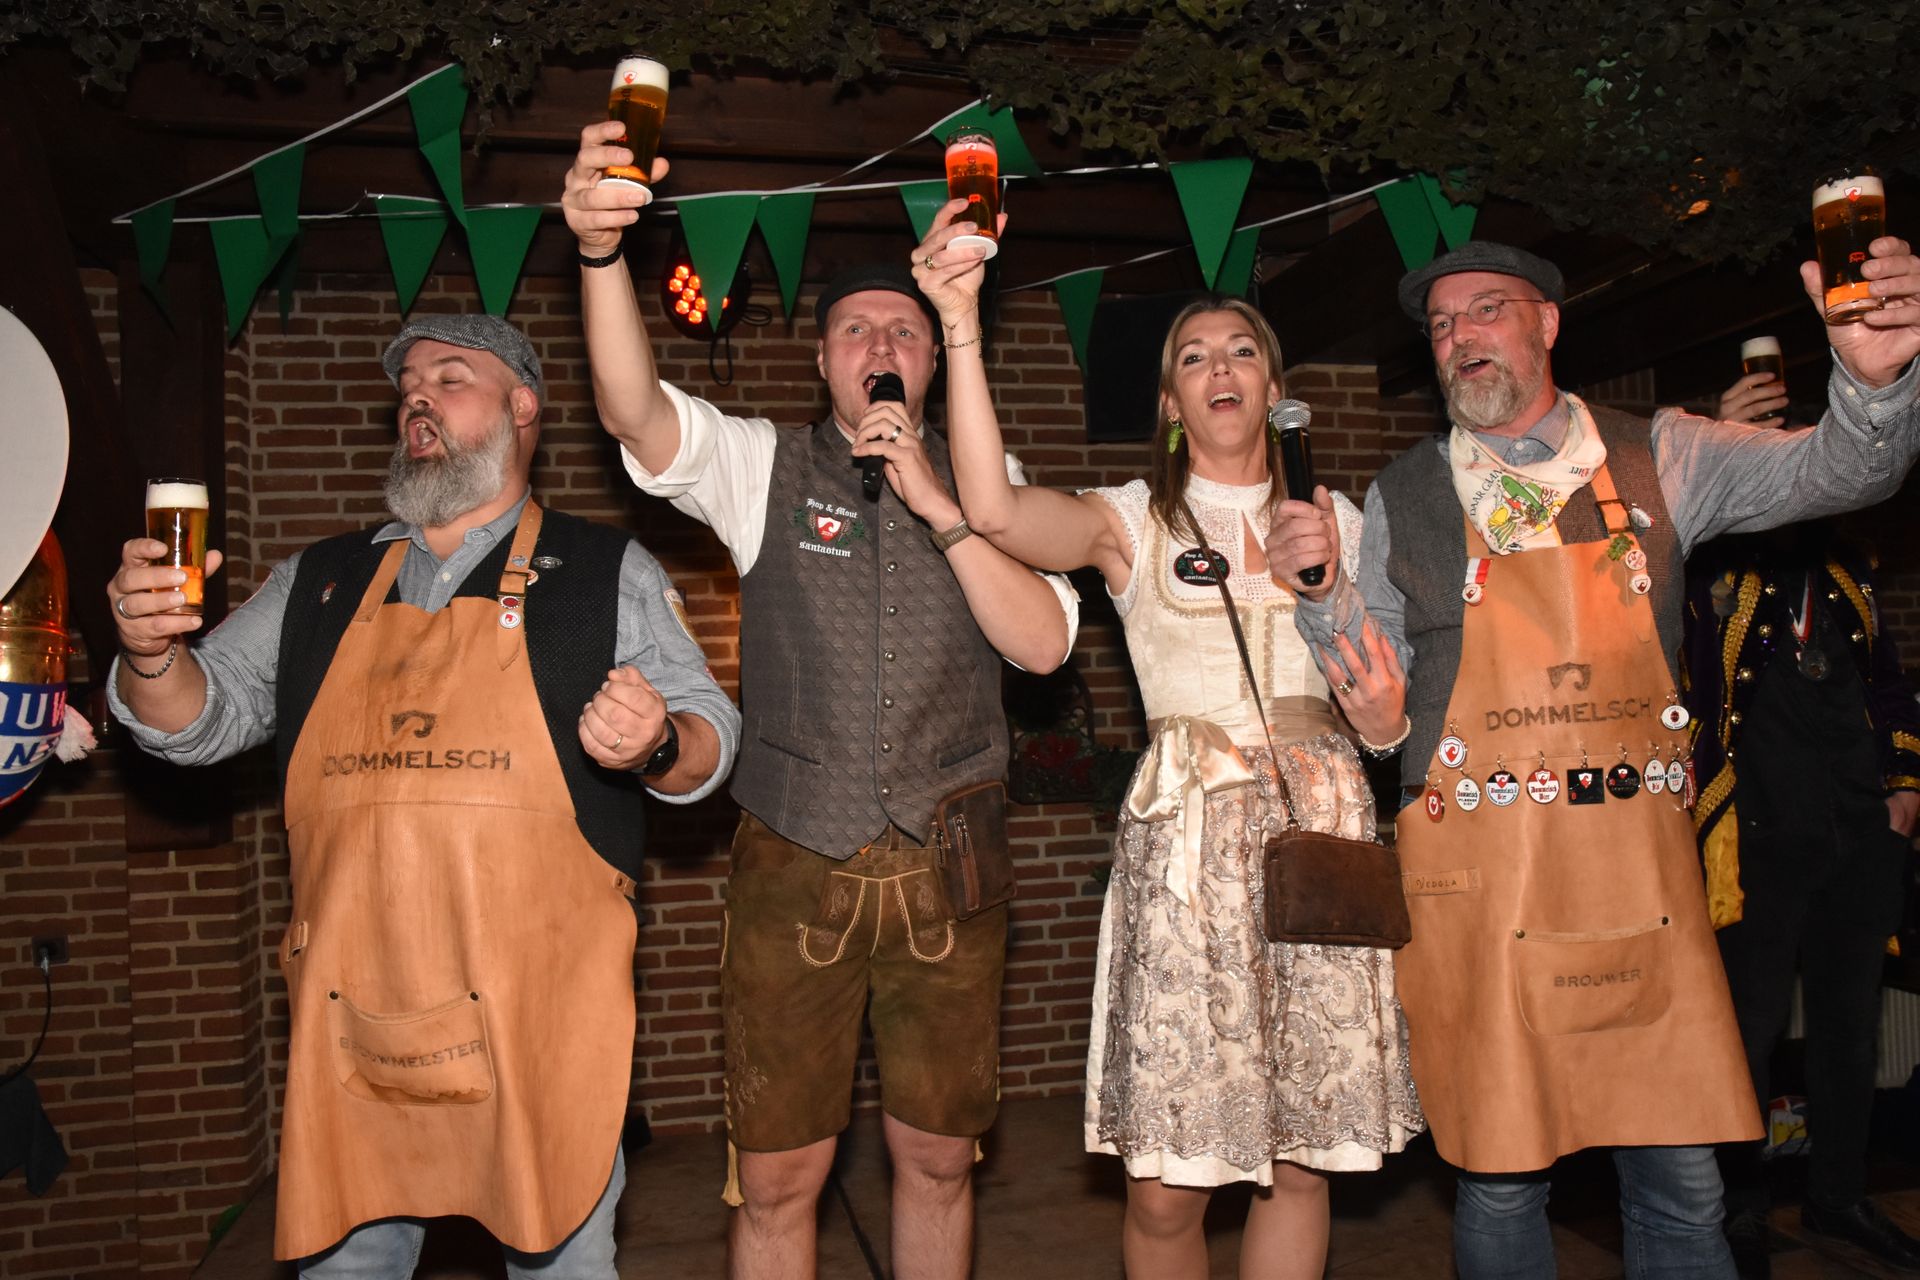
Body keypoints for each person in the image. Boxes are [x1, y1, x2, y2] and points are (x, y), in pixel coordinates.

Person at [1268, 237, 1920, 1277]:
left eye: (1485, 310)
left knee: (1680, 1180)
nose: (1459, 337)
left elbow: (1841, 468)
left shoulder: (1663, 452)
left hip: (1637, 877)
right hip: (1482, 885)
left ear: (1548, 323)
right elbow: (1377, 699)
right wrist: (1319, 596)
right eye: (1440, 324)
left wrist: (1873, 382)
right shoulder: (1403, 493)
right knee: (1499, 1172)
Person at [106, 314, 741, 1276]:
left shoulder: (608, 572)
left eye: (451, 377)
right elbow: (201, 721)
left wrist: (657, 745)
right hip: (354, 1019)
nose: (418, 394)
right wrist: (150, 655)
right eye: (409, 382)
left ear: (523, 408)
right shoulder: (316, 580)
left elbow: (711, 746)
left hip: (542, 1027)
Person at [560, 125, 1077, 1280]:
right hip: (796, 863)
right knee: (783, 1173)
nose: (880, 345)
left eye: (902, 328)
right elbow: (636, 412)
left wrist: (936, 497)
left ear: (931, 359)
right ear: (827, 363)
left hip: (954, 862)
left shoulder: (985, 488)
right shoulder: (762, 467)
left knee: (939, 1158)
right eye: (856, 329)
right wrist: (600, 261)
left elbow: (1042, 646)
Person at [920, 203, 1422, 1278]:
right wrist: (960, 324)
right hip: (1190, 856)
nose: (1221, 367)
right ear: (1170, 401)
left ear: (1275, 385)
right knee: (1165, 1186)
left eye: (1243, 348)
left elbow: (1387, 720)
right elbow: (993, 510)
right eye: (1194, 357)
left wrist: (1352, 629)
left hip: (1322, 839)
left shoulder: (1347, 524)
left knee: (1300, 1163)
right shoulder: (1130, 522)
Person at [1685, 370, 1920, 1279]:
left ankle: (1838, 1196)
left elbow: (1888, 677)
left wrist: (1904, 781)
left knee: (1850, 1028)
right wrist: (1716, 446)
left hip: (1859, 828)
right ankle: (1739, 1209)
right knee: (1744, 1033)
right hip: (1752, 837)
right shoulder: (1706, 557)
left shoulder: (1847, 565)